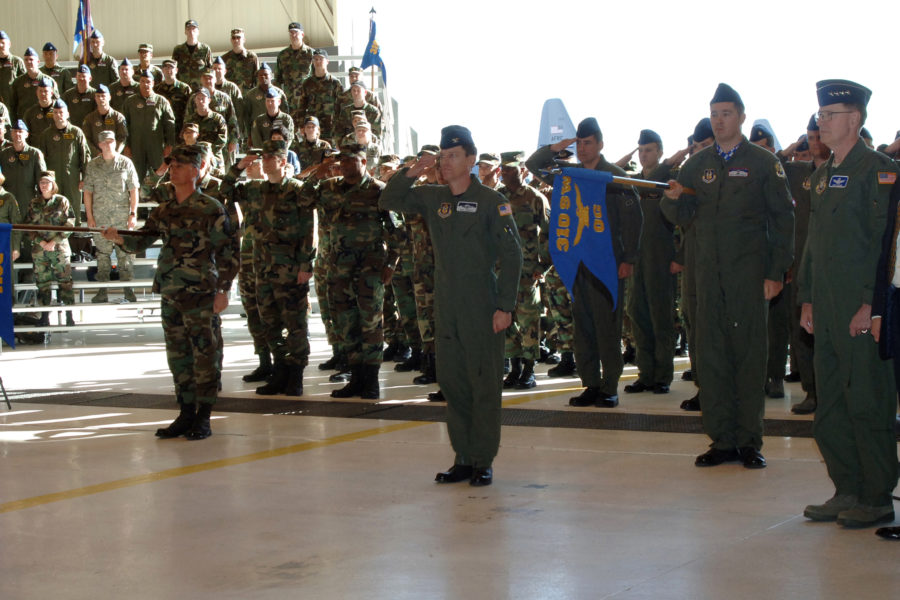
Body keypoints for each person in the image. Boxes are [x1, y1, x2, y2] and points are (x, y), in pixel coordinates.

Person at [380, 125, 523, 487]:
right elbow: (390, 199)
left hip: (482, 304)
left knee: (484, 383)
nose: (446, 161)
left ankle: (483, 458)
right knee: (453, 381)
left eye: (454, 155)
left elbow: (513, 254)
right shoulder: (433, 197)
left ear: (471, 160)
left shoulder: (492, 201)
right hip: (446, 305)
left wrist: (505, 305)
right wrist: (413, 170)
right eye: (443, 156)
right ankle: (462, 457)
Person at [661, 83, 794, 469]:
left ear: (741, 116)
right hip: (706, 279)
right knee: (713, 358)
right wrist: (672, 203)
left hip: (749, 277)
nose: (719, 121)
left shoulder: (763, 162)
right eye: (714, 114)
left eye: (726, 114)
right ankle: (721, 439)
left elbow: (783, 221)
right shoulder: (696, 165)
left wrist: (775, 273)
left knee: (749, 357)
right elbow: (681, 217)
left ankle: (749, 440)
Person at [799, 79, 898, 529]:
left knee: (867, 401)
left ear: (854, 119)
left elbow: (885, 246)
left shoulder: (879, 172)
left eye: (830, 115)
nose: (821, 122)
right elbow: (813, 247)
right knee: (832, 405)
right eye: (821, 115)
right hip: (826, 305)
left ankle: (876, 495)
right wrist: (806, 299)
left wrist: (870, 304)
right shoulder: (820, 177)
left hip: (859, 308)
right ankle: (847, 488)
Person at [102, 145, 237, 440]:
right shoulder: (166, 209)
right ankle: (185, 412)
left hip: (201, 293)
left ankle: (204, 416)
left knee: (205, 355)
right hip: (172, 291)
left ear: (196, 171)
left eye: (179, 165)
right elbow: (141, 242)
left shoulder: (211, 208)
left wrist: (223, 291)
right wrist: (118, 237)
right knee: (178, 357)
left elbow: (229, 253)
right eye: (172, 164)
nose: (173, 169)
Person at [526, 117, 643, 408]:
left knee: (607, 328)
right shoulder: (570, 174)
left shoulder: (615, 176)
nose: (583, 148)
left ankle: (610, 386)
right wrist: (557, 147)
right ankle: (591, 384)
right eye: (579, 143)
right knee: (584, 328)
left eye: (588, 142)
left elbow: (633, 220)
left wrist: (629, 258)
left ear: (600, 144)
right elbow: (534, 164)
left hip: (607, 263)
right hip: (579, 263)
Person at [302, 144, 398, 398]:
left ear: (364, 162)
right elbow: (301, 199)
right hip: (338, 270)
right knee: (346, 323)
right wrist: (318, 173)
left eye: (350, 161)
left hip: (370, 269)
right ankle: (355, 377)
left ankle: (372, 380)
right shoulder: (329, 188)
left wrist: (391, 264)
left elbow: (397, 232)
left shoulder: (378, 190)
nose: (343, 166)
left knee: (370, 323)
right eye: (340, 161)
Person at [221, 140, 315, 397]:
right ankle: (280, 371)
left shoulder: (298, 190)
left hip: (290, 268)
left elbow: (310, 229)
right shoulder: (256, 190)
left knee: (295, 324)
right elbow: (225, 189)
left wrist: (306, 265)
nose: (263, 162)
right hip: (263, 268)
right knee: (269, 323)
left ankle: (296, 375)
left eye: (269, 158)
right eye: (262, 158)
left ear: (283, 162)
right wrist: (239, 166)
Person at [621, 129, 684, 395]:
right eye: (641, 150)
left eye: (649, 150)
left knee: (661, 318)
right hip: (637, 259)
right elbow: (612, 171)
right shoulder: (634, 183)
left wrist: (679, 258)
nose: (645, 155)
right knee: (639, 316)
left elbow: (684, 222)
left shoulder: (670, 180)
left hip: (661, 258)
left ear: (659, 151)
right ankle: (645, 373)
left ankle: (662, 376)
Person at [499, 151, 550, 389]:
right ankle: (514, 368)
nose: (506, 172)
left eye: (511, 168)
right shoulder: (497, 198)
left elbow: (549, 232)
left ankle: (529, 370)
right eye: (504, 168)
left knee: (529, 320)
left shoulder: (535, 198)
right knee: (507, 320)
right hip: (502, 271)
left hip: (528, 270)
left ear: (522, 170)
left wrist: (544, 265)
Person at [83, 130, 140, 303]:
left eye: (111, 141)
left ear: (115, 142)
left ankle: (128, 290)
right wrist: (90, 216)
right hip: (100, 218)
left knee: (125, 254)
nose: (108, 144)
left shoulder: (125, 163)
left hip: (121, 217)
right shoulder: (93, 165)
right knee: (102, 254)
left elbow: (133, 189)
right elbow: (87, 192)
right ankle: (102, 290)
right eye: (104, 142)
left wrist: (133, 213)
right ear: (99, 145)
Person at [25, 170, 74, 325]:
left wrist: (53, 242)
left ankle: (68, 316)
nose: (44, 185)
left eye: (47, 182)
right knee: (42, 284)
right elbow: (28, 226)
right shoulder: (33, 203)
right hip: (40, 251)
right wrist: (41, 242)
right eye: (41, 183)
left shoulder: (62, 201)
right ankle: (45, 317)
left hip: (59, 249)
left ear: (53, 185)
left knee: (65, 282)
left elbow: (70, 224)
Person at [37, 99, 90, 226]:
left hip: (72, 178)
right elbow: (41, 160)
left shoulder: (76, 133)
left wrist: (85, 177)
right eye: (55, 112)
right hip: (53, 180)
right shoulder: (46, 134)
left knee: (73, 209)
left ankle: (75, 238)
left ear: (67, 114)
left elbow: (85, 156)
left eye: (61, 112)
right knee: (54, 209)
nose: (58, 115)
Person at [122, 70, 176, 182]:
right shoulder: (130, 101)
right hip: (136, 145)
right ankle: (138, 197)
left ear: (153, 83)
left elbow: (170, 124)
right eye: (142, 81)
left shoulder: (161, 101)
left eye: (148, 81)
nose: (145, 84)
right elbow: (123, 124)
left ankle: (160, 197)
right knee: (136, 174)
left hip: (156, 145)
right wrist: (126, 145)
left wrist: (169, 144)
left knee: (159, 172)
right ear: (139, 83)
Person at [297, 49, 343, 144]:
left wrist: (339, 126)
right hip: (312, 128)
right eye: (315, 59)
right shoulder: (307, 83)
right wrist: (301, 125)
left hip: (330, 127)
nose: (318, 61)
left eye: (321, 59)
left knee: (329, 156)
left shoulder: (335, 83)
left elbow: (341, 105)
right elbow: (302, 106)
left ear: (327, 61)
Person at [81, 84, 127, 157]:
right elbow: (86, 139)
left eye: (103, 96)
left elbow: (122, 137)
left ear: (109, 97)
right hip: (96, 157)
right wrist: (97, 153)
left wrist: (115, 152)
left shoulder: (118, 117)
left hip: (114, 156)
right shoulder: (89, 118)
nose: (101, 99)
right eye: (98, 96)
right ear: (95, 98)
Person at [275, 22, 314, 105]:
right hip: (289, 101)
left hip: (306, 100)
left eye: (296, 32)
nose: (293, 35)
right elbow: (277, 80)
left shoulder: (311, 54)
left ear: (302, 35)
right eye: (291, 33)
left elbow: (317, 77)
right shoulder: (283, 55)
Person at [172, 19, 211, 91]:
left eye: (193, 29)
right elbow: (173, 70)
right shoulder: (178, 50)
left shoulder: (205, 49)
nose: (191, 31)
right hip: (182, 89)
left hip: (200, 90)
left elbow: (210, 69)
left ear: (198, 32)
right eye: (188, 29)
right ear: (185, 32)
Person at [222, 28, 259, 93]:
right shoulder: (224, 58)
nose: (236, 40)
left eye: (238, 37)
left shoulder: (252, 57)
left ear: (244, 40)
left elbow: (257, 78)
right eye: (233, 38)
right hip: (230, 95)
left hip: (247, 96)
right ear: (231, 40)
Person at [61, 65, 97, 130]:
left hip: (90, 129)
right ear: (76, 77)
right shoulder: (68, 94)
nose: (81, 78)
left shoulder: (95, 94)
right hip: (73, 130)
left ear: (90, 78)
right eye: (79, 76)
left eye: (84, 76)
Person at [0, 30, 25, 107]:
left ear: (9, 44)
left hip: (13, 103)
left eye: (3, 43)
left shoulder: (16, 61)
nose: (0, 45)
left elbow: (24, 82)